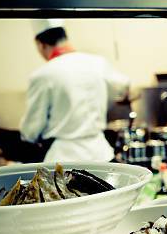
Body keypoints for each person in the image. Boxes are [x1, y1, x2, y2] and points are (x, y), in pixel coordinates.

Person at [20, 19, 130, 162]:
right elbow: (123, 88)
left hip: (63, 160)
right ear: (65, 37)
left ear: (41, 45)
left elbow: (30, 131)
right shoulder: (98, 63)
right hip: (102, 155)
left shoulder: (43, 75)